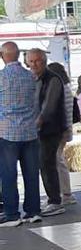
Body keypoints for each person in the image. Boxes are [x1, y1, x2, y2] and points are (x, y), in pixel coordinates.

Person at [0, 42, 41, 227]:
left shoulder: (1, 78)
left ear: (3, 56)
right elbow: (35, 102)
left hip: (7, 132)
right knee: (31, 174)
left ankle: (12, 214)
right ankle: (33, 211)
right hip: (30, 132)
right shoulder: (30, 76)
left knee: (9, 174)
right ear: (18, 56)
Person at [25, 50, 68, 217]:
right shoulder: (33, 78)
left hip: (51, 128)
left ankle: (55, 201)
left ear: (44, 61)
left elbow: (49, 106)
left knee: (47, 162)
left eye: (37, 61)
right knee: (44, 163)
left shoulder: (52, 79)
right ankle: (52, 198)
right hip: (39, 128)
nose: (34, 64)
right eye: (31, 61)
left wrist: (39, 121)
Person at [46, 62, 76, 205]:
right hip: (65, 128)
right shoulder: (67, 88)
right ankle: (64, 193)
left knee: (57, 160)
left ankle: (65, 193)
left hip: (58, 130)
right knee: (58, 159)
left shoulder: (59, 89)